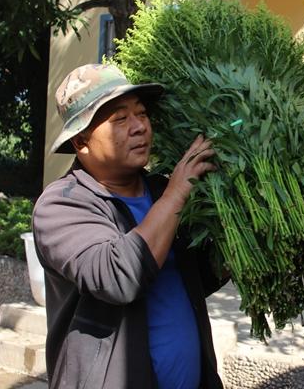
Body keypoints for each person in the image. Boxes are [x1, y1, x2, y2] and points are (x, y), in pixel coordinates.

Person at [32, 64, 228, 389]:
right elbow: (118, 276)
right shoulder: (61, 205)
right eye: (120, 119)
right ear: (82, 141)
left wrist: (229, 256)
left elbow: (187, 278)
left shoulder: (159, 191)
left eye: (141, 113)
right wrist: (178, 193)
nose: (139, 127)